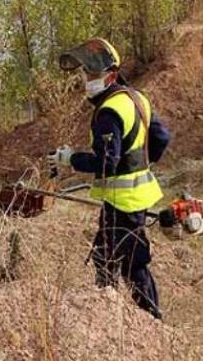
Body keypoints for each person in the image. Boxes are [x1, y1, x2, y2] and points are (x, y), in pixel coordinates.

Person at [48, 38, 171, 319]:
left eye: (92, 75)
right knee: (109, 255)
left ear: (111, 76)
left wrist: (71, 159)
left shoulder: (109, 111)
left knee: (126, 262)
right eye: (85, 74)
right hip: (136, 196)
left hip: (122, 201)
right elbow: (161, 139)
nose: (87, 80)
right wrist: (138, 163)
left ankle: (149, 322)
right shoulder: (137, 98)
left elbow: (106, 163)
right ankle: (113, 320)